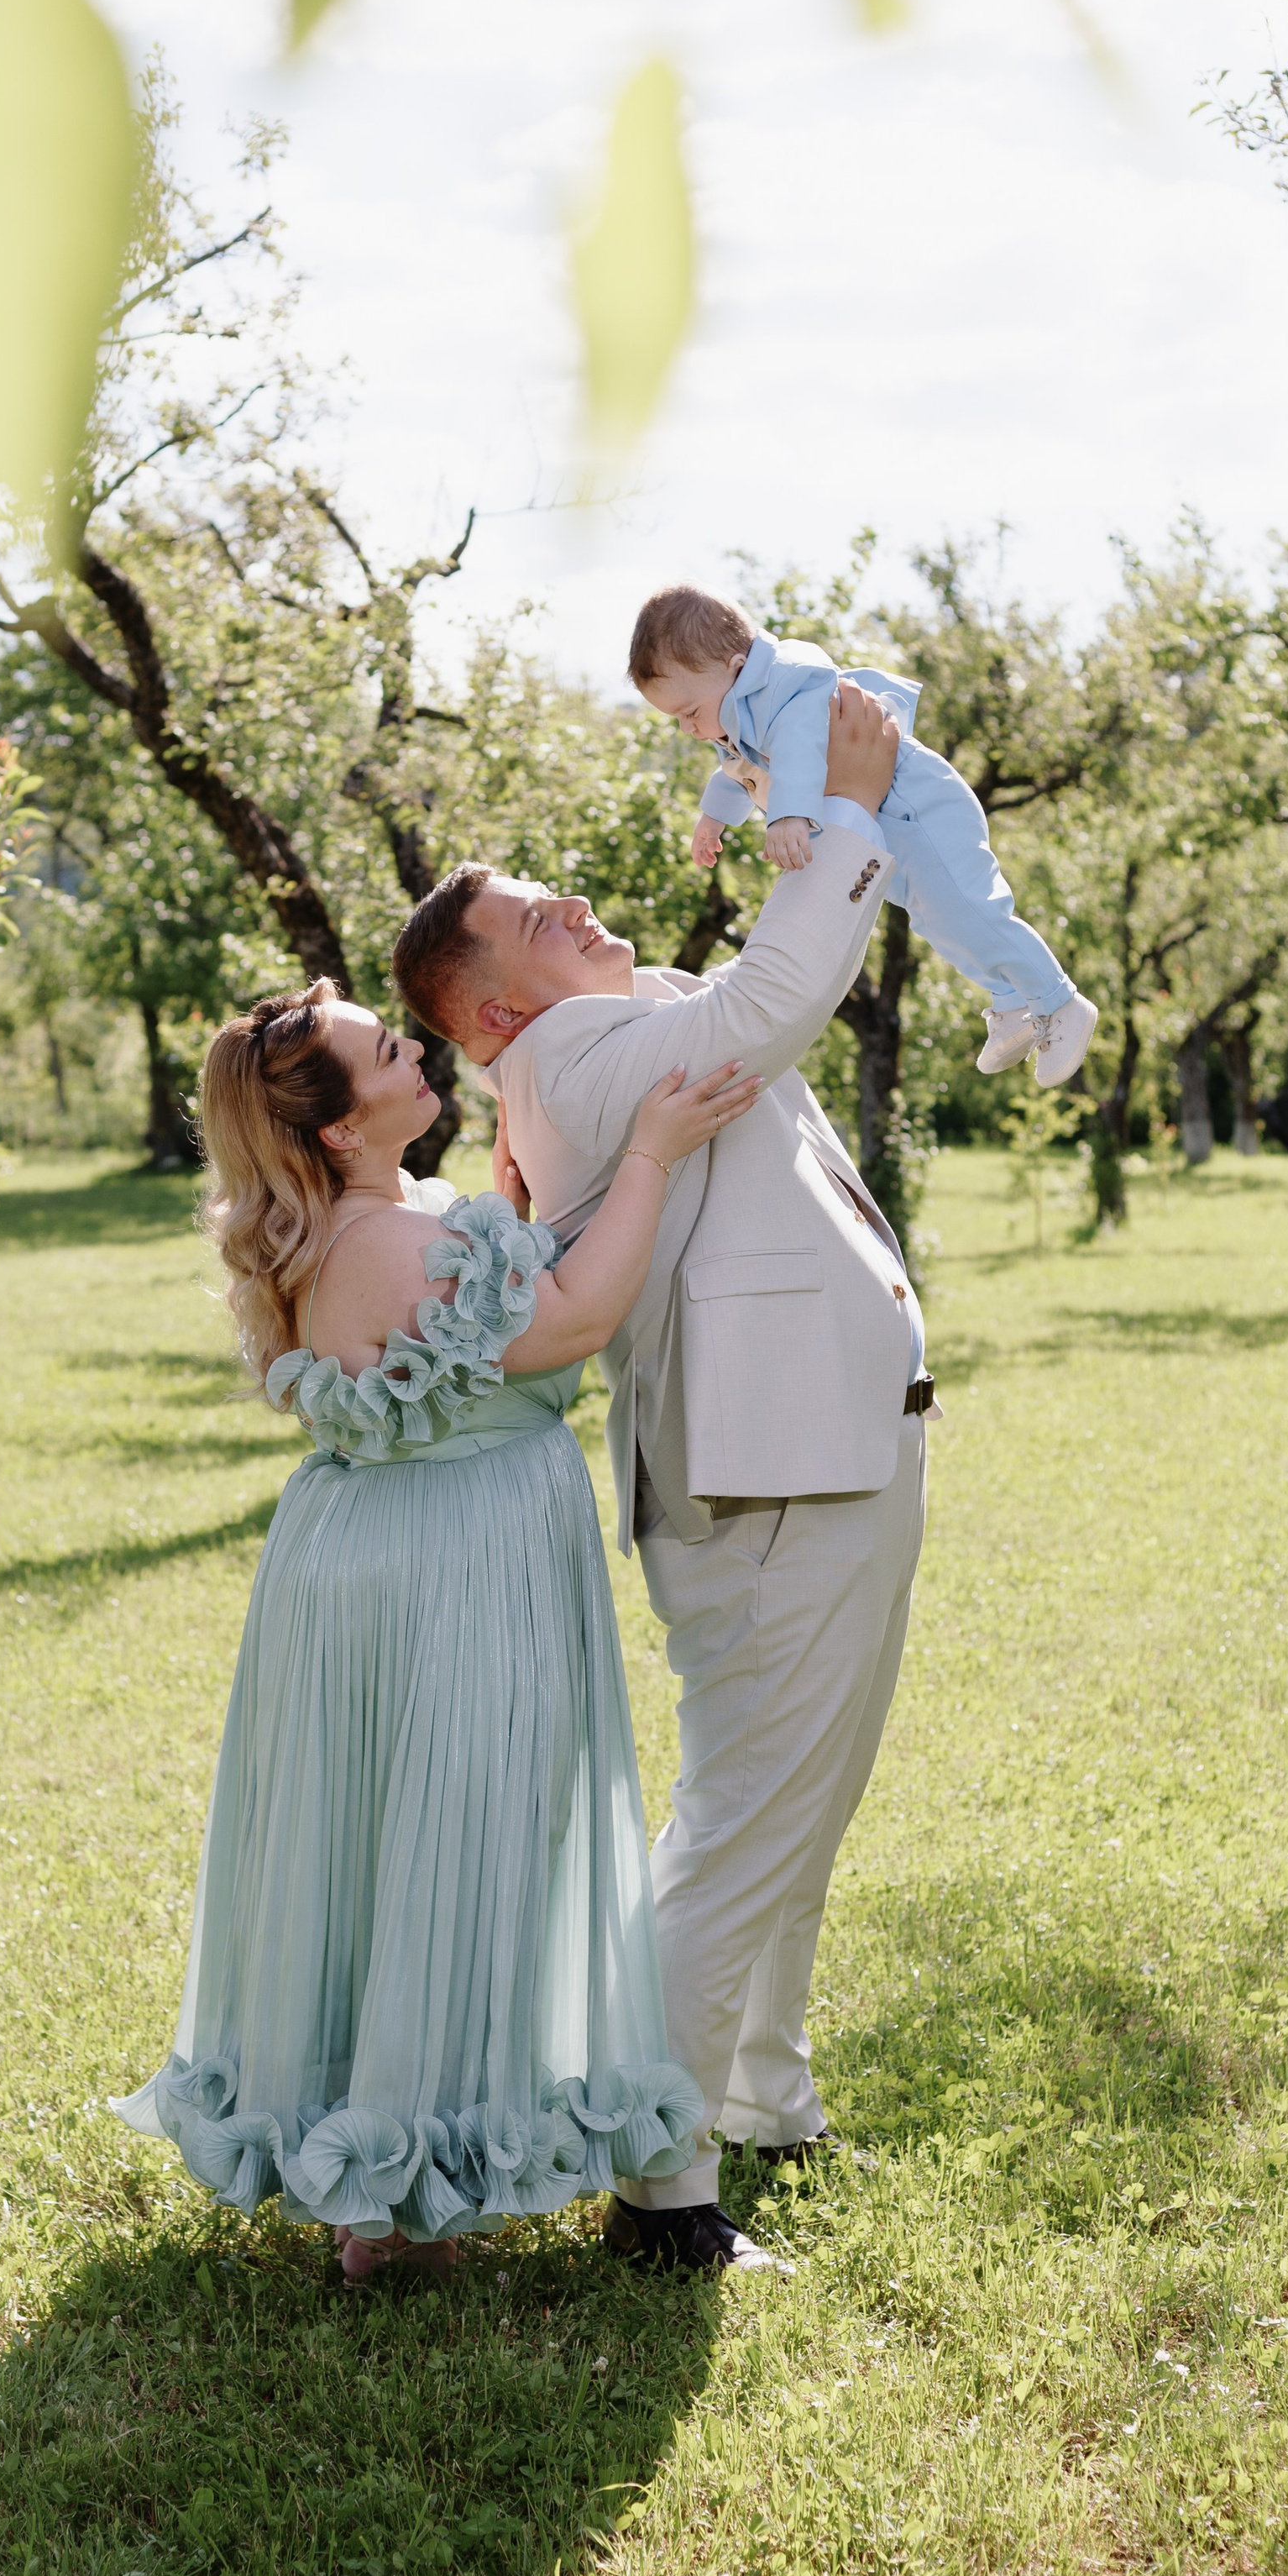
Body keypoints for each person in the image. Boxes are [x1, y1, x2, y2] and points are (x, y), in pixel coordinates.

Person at [391, 682, 928, 2279]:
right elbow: (772, 1002)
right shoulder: (573, 1059)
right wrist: (841, 814)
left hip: (821, 1452)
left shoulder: (611, 1025)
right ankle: (662, 2189)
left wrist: (775, 800)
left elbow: (748, 995)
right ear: (494, 1016)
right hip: (773, 1475)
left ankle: (760, 2093)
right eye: (529, 920)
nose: (572, 902)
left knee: (800, 1800)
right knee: (751, 1817)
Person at [112, 980, 762, 2283]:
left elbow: (473, 1327)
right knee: (461, 1841)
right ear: (341, 1131)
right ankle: (397, 2201)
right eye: (390, 1053)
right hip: (453, 1563)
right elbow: (571, 1323)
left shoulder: (387, 1221)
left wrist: (518, 1207)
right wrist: (647, 1154)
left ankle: (390, 2170)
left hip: (387, 1555)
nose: (418, 1057)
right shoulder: (385, 1241)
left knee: (395, 1844)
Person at [630, 580, 1100, 1092]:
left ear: (737, 669)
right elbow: (737, 771)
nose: (688, 729)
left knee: (972, 907)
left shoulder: (789, 685)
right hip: (887, 821)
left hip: (917, 806)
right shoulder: (739, 716)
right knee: (936, 918)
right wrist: (714, 817)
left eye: (689, 713)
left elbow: (801, 746)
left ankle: (1058, 1001)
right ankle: (1011, 1002)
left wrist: (789, 816)